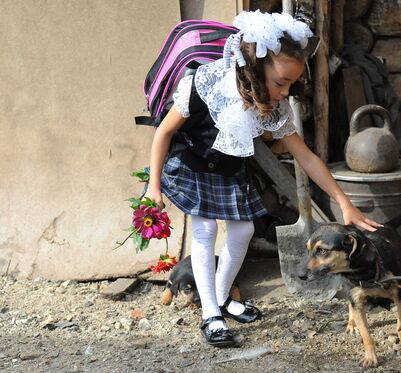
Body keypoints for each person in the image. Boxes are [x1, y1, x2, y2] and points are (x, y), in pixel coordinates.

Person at [144, 10, 381, 347]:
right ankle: (210, 314)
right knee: (205, 230)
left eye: (291, 84)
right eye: (281, 82)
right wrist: (153, 186)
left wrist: (343, 201)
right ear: (255, 70)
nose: (285, 92)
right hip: (192, 163)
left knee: (244, 230)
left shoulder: (273, 106)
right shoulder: (204, 84)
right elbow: (163, 132)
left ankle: (223, 295)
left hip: (227, 169)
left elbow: (307, 158)